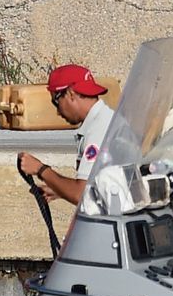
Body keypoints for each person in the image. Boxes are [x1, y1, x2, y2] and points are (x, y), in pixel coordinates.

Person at [16, 64, 115, 208]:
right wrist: (60, 190)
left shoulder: (99, 129)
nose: (58, 112)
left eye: (56, 102)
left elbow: (81, 194)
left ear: (70, 93)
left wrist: (41, 170)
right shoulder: (105, 119)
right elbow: (101, 188)